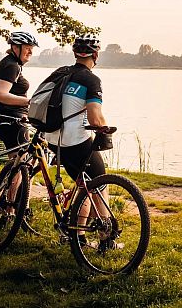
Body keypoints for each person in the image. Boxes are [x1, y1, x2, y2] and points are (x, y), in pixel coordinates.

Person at [43, 34, 111, 245]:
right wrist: (105, 129)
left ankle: (78, 237)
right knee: (99, 182)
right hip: (74, 140)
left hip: (52, 137)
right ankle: (106, 237)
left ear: (75, 54)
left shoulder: (59, 73)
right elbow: (95, 116)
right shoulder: (92, 80)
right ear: (96, 55)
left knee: (84, 184)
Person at [0, 31, 39, 153]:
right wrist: (29, 102)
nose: (30, 52)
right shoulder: (12, 66)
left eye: (31, 48)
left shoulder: (8, 63)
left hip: (7, 120)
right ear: (15, 47)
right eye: (27, 48)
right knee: (20, 165)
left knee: (20, 162)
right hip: (11, 121)